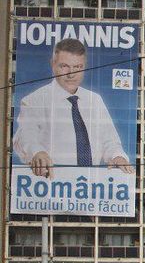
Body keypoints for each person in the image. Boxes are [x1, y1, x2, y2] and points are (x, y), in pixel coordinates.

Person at [12, 38, 134, 179]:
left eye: (77, 67)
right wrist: (37, 152)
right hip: (52, 184)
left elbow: (110, 141)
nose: (71, 74)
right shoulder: (34, 100)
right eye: (64, 66)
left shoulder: (95, 100)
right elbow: (25, 136)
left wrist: (117, 156)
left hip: (91, 184)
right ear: (53, 65)